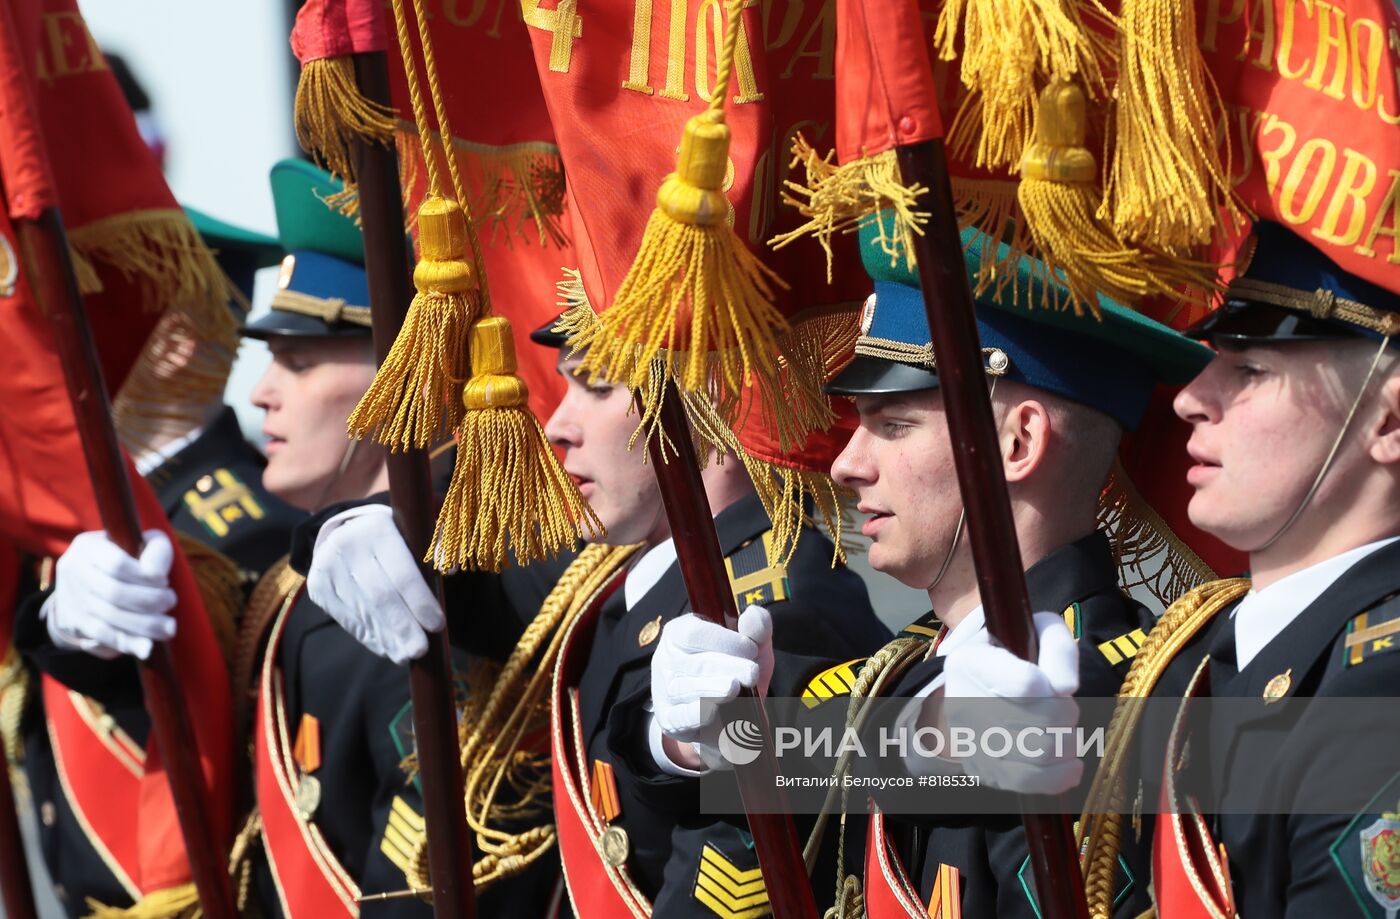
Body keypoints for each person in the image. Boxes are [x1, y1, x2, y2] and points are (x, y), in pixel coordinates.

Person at [653, 215, 1214, 917]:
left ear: (1017, 444)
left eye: (893, 424)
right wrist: (690, 740)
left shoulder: (1129, 693)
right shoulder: (881, 677)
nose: (847, 464)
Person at [307, 289, 892, 915]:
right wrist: (355, 522)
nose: (558, 424)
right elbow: (465, 584)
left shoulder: (783, 610)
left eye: (597, 384)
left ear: (708, 401)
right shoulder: (619, 567)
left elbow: (729, 884)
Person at [1069, 222, 1400, 919]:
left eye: (1250, 370)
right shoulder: (1188, 657)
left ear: (1389, 422)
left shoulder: (1381, 688)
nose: (1190, 398)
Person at [8, 209, 302, 916]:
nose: (61, 344)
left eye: (87, 320)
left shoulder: (253, 534)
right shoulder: (77, 515)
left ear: (172, 344)